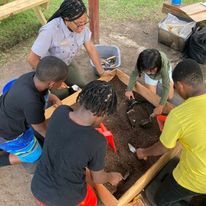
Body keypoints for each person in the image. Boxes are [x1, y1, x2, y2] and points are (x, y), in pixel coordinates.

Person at [31, 80, 123, 206]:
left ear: (82, 97)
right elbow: (98, 178)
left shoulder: (60, 112)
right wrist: (111, 177)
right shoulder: (97, 141)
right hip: (66, 199)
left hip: (38, 187)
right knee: (91, 201)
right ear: (103, 113)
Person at [136, 59, 206, 205]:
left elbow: (164, 147)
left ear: (179, 85)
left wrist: (143, 152)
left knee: (160, 199)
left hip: (198, 178)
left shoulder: (180, 115)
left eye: (175, 86)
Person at [27, 0, 112, 98]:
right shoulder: (49, 31)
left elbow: (91, 48)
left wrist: (102, 72)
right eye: (79, 24)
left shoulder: (81, 25)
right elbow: (32, 59)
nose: (82, 28)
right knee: (62, 94)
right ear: (66, 19)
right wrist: (51, 80)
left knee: (81, 85)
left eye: (85, 22)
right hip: (49, 68)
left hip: (66, 63)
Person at [0, 56, 68, 167]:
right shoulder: (32, 102)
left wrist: (54, 98)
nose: (62, 84)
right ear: (51, 84)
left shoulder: (31, 78)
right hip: (8, 133)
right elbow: (41, 129)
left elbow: (44, 95)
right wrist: (56, 141)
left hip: (5, 114)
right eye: (61, 82)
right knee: (35, 155)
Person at [125, 49, 174, 116]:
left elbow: (166, 86)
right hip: (151, 77)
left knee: (170, 97)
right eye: (146, 70)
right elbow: (134, 74)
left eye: (152, 70)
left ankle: (170, 83)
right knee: (151, 96)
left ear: (157, 66)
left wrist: (161, 106)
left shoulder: (163, 66)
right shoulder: (142, 62)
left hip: (164, 74)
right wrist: (129, 89)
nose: (149, 73)